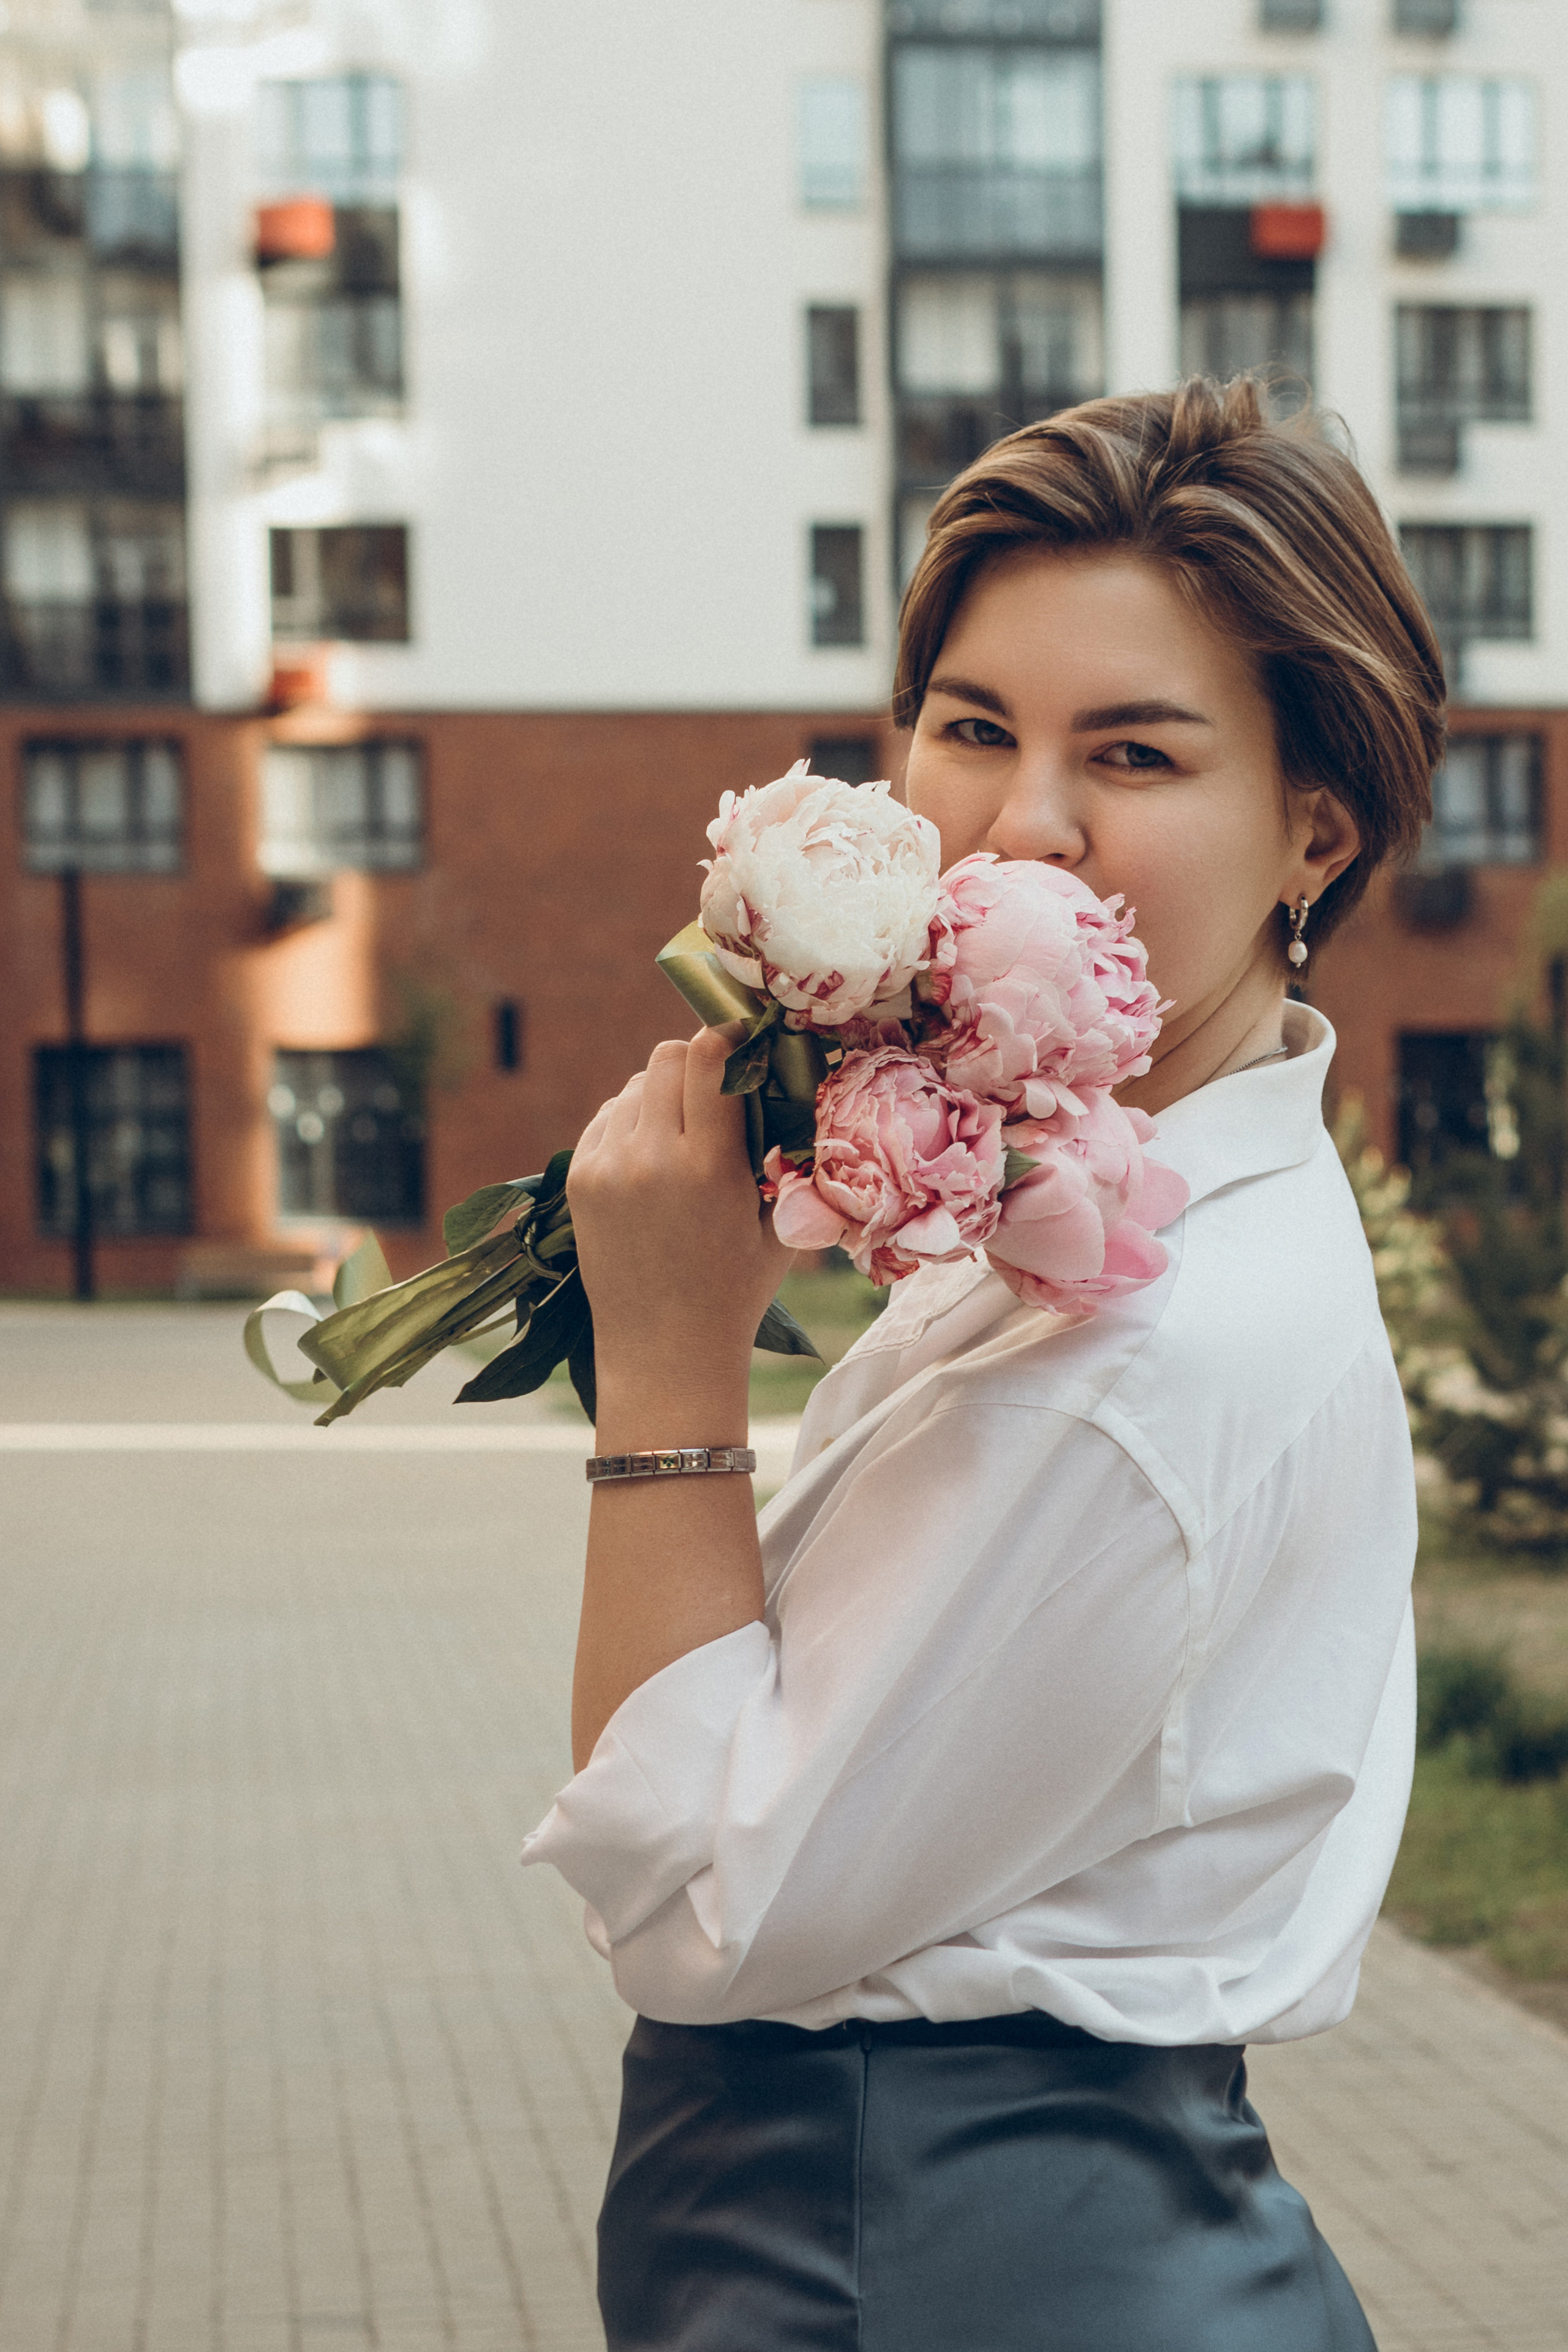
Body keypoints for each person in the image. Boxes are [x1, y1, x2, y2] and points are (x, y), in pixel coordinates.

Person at [522, 376, 1445, 2350]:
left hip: (919, 2253)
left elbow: (703, 1918)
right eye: (971, 728)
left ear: (1317, 825)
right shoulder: (1133, 1198)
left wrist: (668, 1372)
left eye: (1134, 750)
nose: (1021, 823)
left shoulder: (1141, 1348)